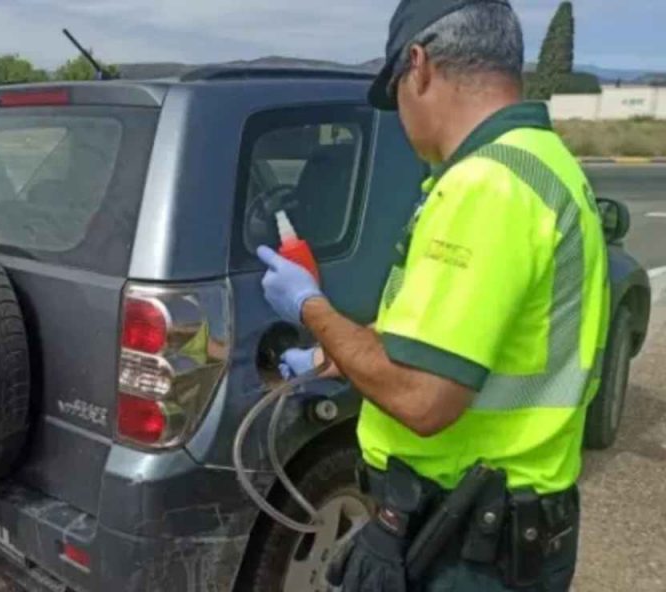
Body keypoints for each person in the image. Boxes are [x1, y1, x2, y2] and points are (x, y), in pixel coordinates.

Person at [257, 0, 610, 590]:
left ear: (418, 64)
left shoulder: (485, 187)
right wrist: (329, 358)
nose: (399, 112)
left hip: (465, 542)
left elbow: (424, 400)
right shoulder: (544, 165)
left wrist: (310, 308)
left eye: (396, 88)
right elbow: (443, 342)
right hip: (495, 524)